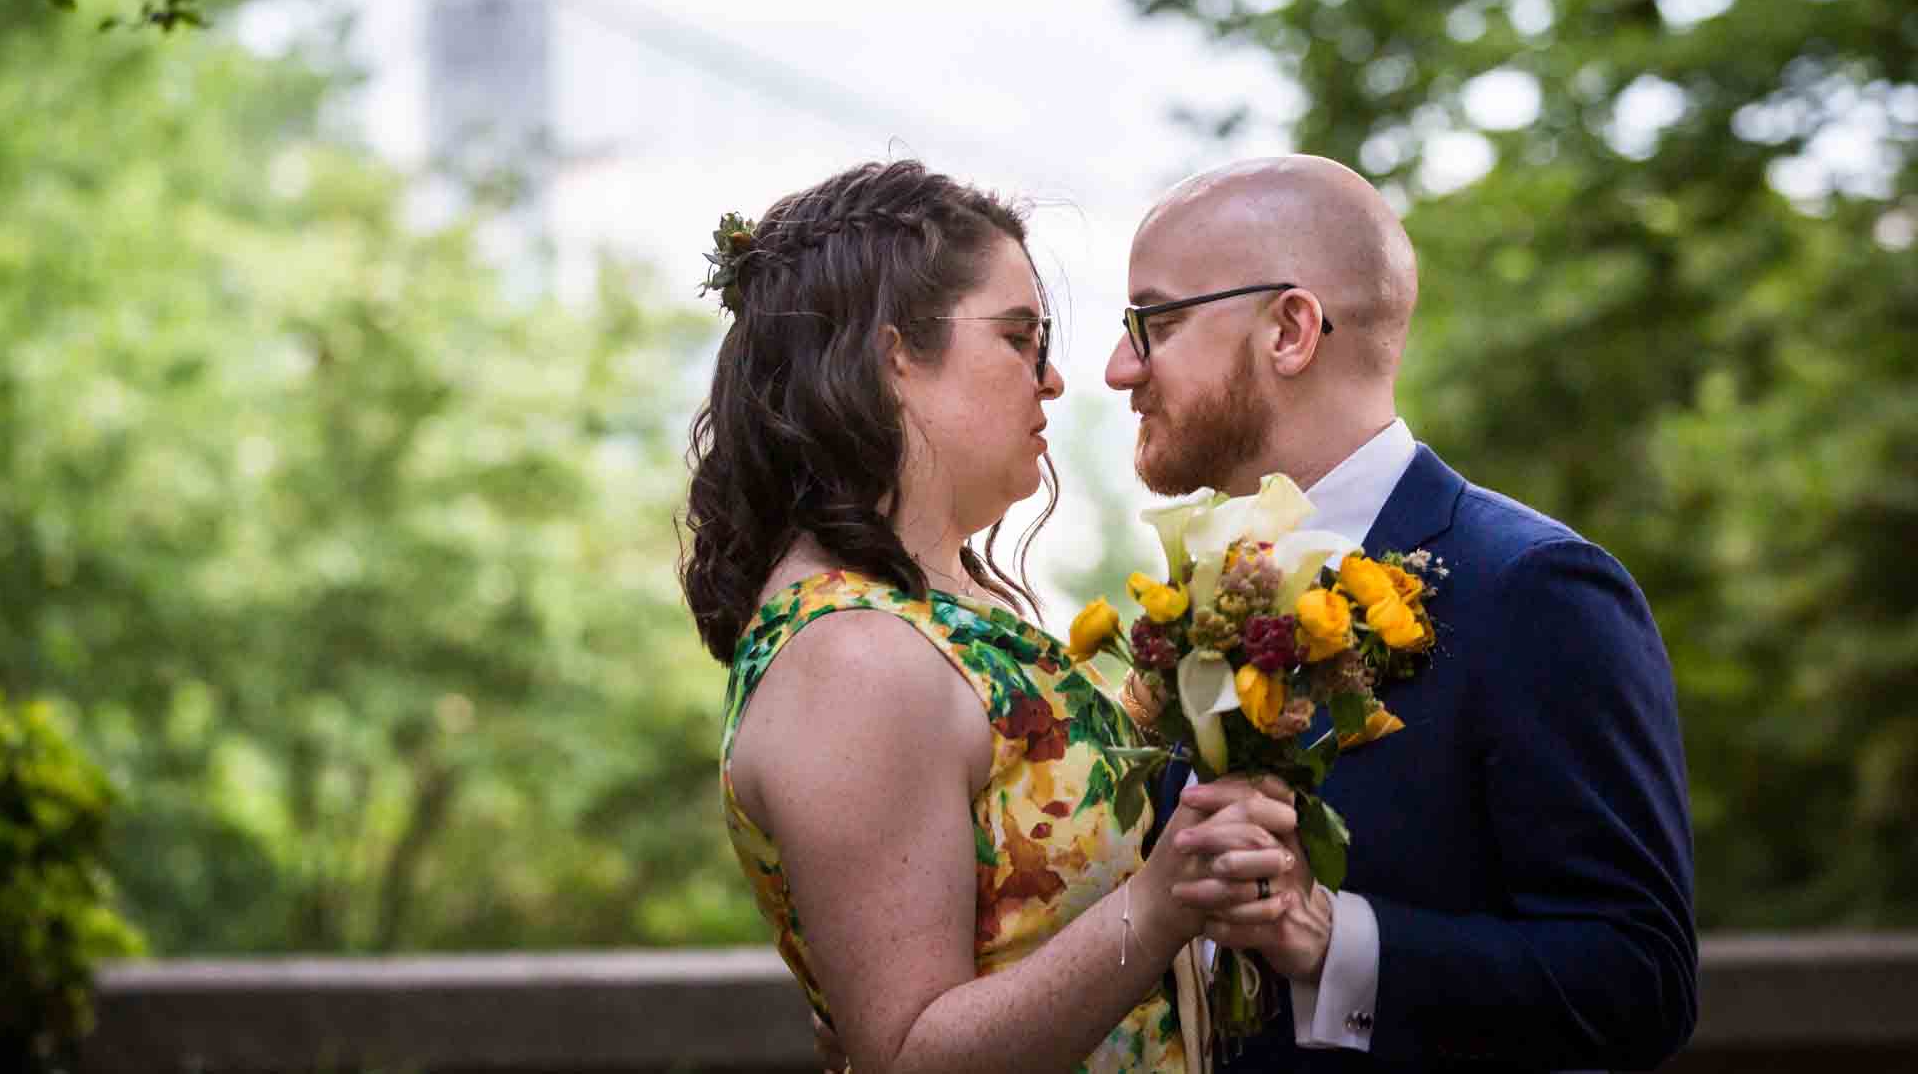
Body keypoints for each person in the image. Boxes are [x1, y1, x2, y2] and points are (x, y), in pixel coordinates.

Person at [681, 160, 1300, 1074]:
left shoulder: (924, 612)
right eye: (1019, 336)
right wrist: (1166, 900)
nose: (1052, 379)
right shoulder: (851, 655)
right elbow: (907, 1052)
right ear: (892, 352)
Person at [1112, 155, 1698, 1072]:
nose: (1119, 369)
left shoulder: (1534, 588)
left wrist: (1336, 940)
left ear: (1291, 330)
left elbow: (1639, 980)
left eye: (1156, 323)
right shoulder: (1198, 600)